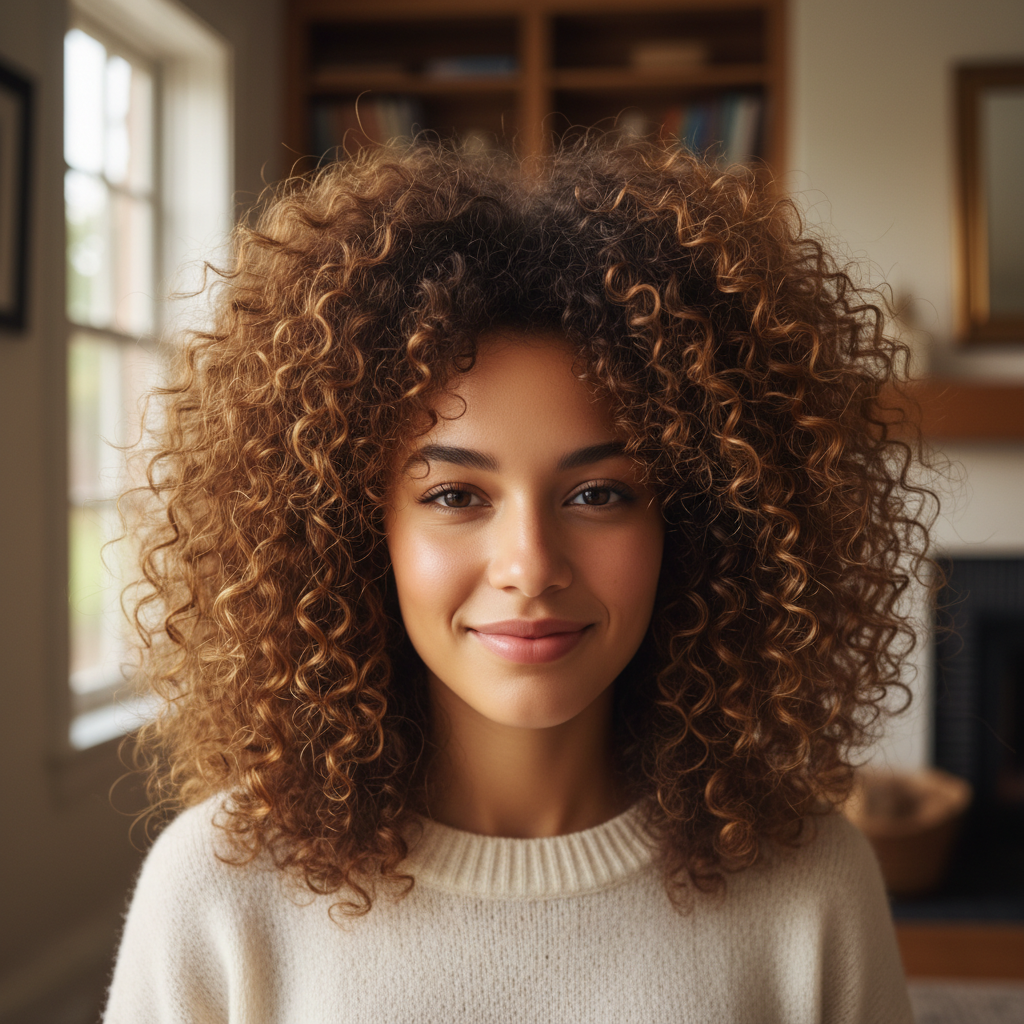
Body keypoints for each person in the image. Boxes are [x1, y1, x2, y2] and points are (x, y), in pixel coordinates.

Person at [104, 137, 930, 1023]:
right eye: (457, 494)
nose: (531, 566)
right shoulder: (220, 894)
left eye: (600, 493)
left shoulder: (813, 886)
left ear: (698, 527)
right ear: (349, 530)